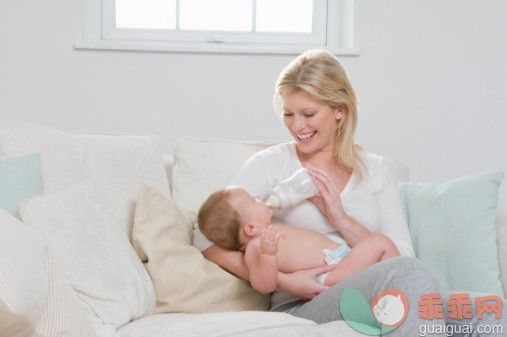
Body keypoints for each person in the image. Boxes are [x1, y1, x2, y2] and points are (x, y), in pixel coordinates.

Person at [193, 49, 506, 336]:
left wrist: (340, 218)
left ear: (339, 110)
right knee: (409, 278)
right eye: (288, 114)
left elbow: (400, 256)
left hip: (378, 287)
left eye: (308, 114)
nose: (296, 125)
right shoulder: (273, 164)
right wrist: (284, 281)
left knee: (491, 310)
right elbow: (206, 240)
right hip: (309, 301)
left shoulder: (376, 170)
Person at [198, 185, 400, 293]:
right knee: (380, 243)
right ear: (250, 228)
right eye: (253, 200)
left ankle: (395, 291)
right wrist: (268, 255)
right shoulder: (256, 246)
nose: (259, 197)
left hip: (339, 261)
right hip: (327, 276)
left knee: (383, 252)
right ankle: (397, 294)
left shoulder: (268, 233)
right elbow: (263, 284)